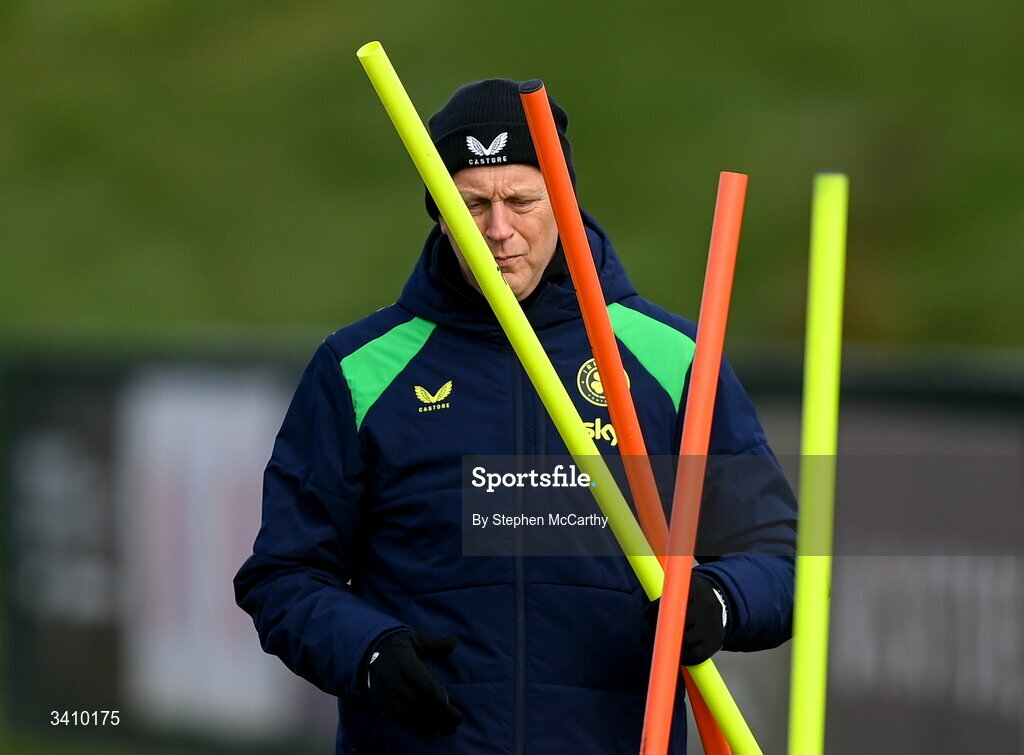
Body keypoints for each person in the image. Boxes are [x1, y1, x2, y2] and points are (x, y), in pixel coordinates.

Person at [234, 78, 797, 754]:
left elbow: (779, 556)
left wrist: (718, 600)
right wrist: (370, 653)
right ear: (438, 214)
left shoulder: (671, 360)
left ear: (562, 200)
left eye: (522, 201)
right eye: (472, 203)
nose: (499, 230)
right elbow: (284, 574)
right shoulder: (359, 370)